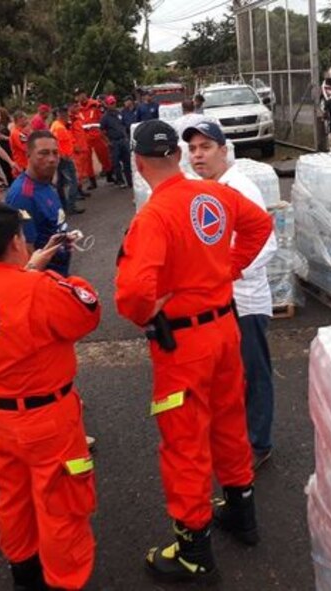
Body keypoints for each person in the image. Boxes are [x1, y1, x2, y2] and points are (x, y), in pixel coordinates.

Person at [115, 121, 274, 582]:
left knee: (184, 443)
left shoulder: (153, 216)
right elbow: (260, 224)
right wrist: (229, 269)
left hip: (183, 345)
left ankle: (193, 551)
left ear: (139, 164)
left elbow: (132, 294)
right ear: (178, 156)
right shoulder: (215, 195)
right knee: (230, 423)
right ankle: (242, 515)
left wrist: (146, 311)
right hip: (224, 330)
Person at [0, 200, 100, 591]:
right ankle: (65, 581)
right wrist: (52, 278)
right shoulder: (40, 289)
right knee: (61, 507)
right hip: (47, 420)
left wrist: (24, 275)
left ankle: (24, 574)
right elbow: (86, 314)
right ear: (15, 242)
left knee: (13, 498)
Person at [183, 121, 278, 470]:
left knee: (253, 373)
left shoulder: (240, 188)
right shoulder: (202, 189)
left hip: (244, 300)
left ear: (224, 151)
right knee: (227, 376)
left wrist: (226, 272)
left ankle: (258, 442)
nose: (198, 155)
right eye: (193, 149)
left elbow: (266, 243)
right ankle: (234, 439)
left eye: (206, 147)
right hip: (217, 300)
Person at [5, 130, 73, 277]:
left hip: (60, 272)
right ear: (28, 155)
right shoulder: (23, 196)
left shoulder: (45, 182)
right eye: (43, 153)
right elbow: (26, 252)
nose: (52, 159)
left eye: (55, 153)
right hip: (45, 279)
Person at [75, 89, 112, 188]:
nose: (80, 96)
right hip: (84, 136)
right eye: (78, 95)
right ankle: (92, 180)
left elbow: (102, 118)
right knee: (87, 160)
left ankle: (109, 174)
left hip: (97, 134)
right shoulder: (76, 109)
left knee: (104, 155)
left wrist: (104, 132)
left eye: (81, 94)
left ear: (85, 93)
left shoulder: (96, 105)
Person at [51, 107, 85, 215]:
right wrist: (63, 156)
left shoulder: (55, 125)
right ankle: (71, 206)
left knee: (61, 183)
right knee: (73, 181)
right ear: (63, 115)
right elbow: (57, 144)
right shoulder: (60, 128)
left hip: (61, 158)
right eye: (67, 116)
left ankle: (64, 205)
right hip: (64, 158)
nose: (68, 118)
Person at [99, 96, 132, 189]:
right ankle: (120, 181)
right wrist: (107, 142)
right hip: (114, 142)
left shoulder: (119, 113)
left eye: (114, 103)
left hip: (123, 140)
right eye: (111, 103)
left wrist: (126, 137)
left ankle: (129, 180)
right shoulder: (105, 117)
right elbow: (101, 131)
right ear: (107, 105)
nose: (113, 105)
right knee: (116, 163)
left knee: (127, 161)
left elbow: (124, 125)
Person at [68, 104, 92, 197]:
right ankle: (76, 192)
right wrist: (74, 146)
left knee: (82, 171)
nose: (78, 108)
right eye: (75, 106)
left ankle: (80, 189)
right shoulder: (71, 120)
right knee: (77, 171)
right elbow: (70, 134)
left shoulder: (77, 119)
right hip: (77, 149)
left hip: (83, 147)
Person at [0, 107, 14, 181]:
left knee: (9, 169)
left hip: (8, 149)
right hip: (0, 149)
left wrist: (4, 137)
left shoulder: (10, 125)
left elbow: (14, 138)